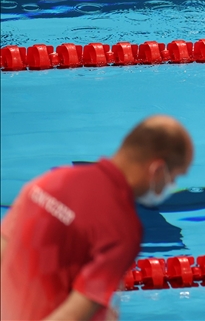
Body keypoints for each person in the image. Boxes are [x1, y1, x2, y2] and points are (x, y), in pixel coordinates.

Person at [0, 115, 194, 321]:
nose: (170, 186)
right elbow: (71, 315)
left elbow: (5, 244)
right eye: (173, 178)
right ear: (157, 170)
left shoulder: (54, 180)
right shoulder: (122, 230)